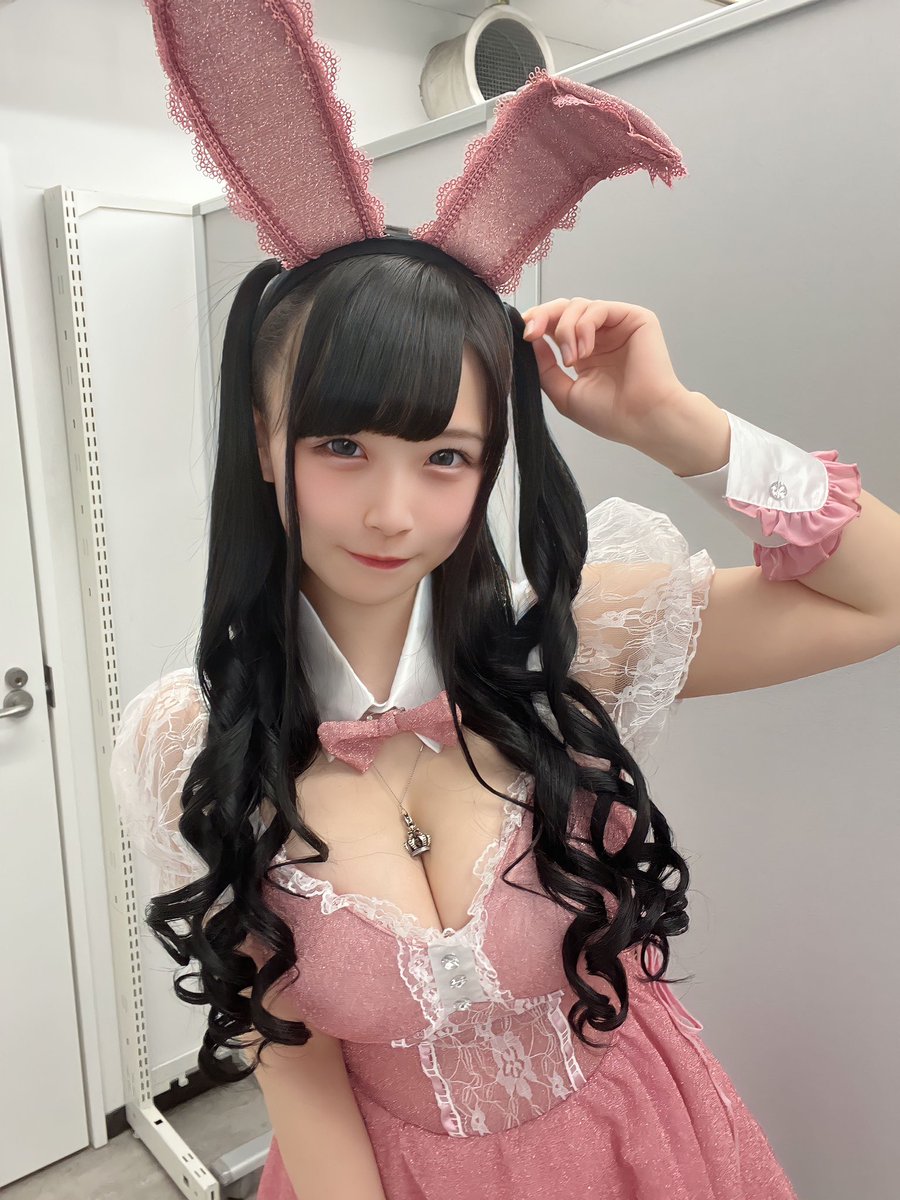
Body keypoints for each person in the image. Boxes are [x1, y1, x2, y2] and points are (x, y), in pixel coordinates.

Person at [110, 4, 900, 1197]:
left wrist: (680, 427)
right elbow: (299, 1075)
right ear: (266, 438)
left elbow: (878, 595)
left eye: (445, 458)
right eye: (342, 447)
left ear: (489, 467)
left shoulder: (568, 649)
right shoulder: (194, 741)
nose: (392, 512)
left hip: (649, 1151)